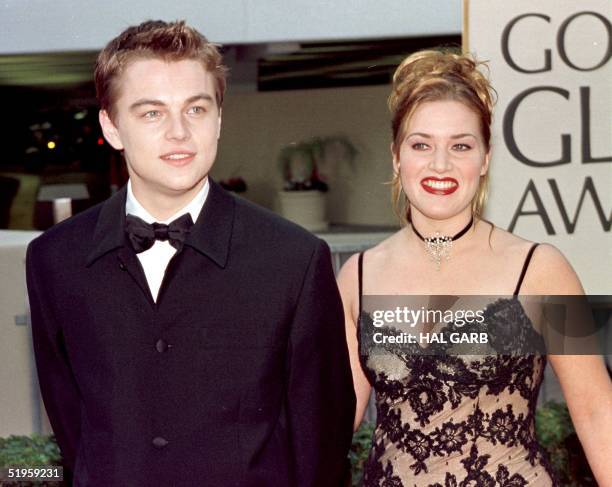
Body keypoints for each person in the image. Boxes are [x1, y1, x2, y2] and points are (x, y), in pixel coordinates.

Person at [26, 20, 355, 486]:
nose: (179, 132)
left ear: (218, 118)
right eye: (152, 113)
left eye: (196, 109)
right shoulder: (54, 261)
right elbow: (73, 425)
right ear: (112, 126)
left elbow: (320, 445)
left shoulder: (294, 261)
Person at [337, 50, 612, 486]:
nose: (440, 164)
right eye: (421, 144)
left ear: (485, 159)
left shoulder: (545, 269)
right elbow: (330, 426)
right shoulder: (357, 277)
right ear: (396, 156)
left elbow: (600, 413)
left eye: (461, 146)